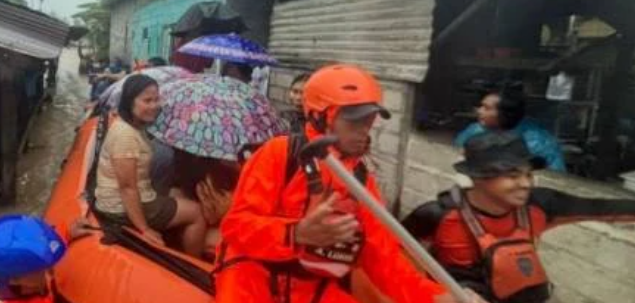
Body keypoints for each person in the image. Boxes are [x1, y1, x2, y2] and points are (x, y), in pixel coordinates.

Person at [214, 64, 484, 303]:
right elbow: (236, 226)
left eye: (368, 120)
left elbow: (384, 259)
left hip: (311, 285)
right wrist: (296, 233)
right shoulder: (279, 153)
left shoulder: (360, 180)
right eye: (353, 120)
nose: (364, 129)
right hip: (251, 276)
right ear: (320, 116)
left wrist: (438, 297)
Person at [403, 131, 635, 303]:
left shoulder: (541, 205)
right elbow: (394, 255)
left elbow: (602, 208)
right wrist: (436, 293)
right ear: (479, 177)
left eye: (528, 174)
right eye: (512, 176)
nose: (526, 184)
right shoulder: (437, 215)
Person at [93, 74, 207, 257]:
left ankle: (177, 236)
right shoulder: (126, 135)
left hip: (135, 195)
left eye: (156, 99)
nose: (154, 105)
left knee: (179, 193)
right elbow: (127, 188)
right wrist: (144, 229)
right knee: (197, 212)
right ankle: (194, 263)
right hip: (119, 207)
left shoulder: (134, 126)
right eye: (147, 100)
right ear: (130, 102)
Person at [0, 214, 68, 303]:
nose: (47, 269)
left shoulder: (26, 281)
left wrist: (67, 233)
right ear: (14, 280)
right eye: (38, 269)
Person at [456, 91, 566, 172]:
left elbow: (555, 176)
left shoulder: (539, 141)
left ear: (504, 114)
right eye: (480, 106)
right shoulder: (474, 130)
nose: (479, 111)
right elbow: (459, 157)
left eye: (486, 108)